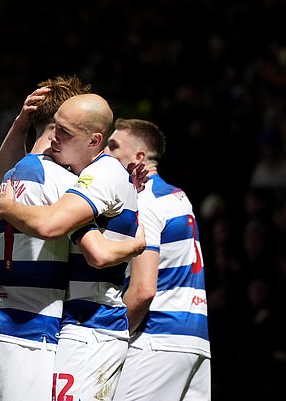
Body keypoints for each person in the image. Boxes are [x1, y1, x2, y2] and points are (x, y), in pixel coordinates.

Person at [0, 79, 144, 401]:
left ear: (93, 139)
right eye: (55, 129)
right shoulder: (63, 177)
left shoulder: (83, 176)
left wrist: (7, 206)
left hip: (84, 327)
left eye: (66, 132)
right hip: (49, 325)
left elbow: (82, 244)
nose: (55, 140)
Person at [106, 118, 211, 401]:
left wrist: (110, 340)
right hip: (195, 341)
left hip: (158, 339)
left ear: (139, 157)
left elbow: (142, 290)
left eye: (113, 146)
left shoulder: (146, 201)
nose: (106, 153)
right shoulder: (177, 196)